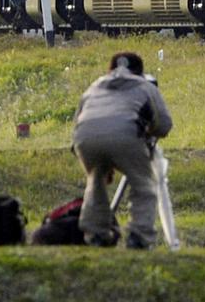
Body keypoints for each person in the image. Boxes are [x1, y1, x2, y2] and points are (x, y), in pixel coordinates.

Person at [71, 52, 173, 249]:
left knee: (95, 183)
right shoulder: (144, 86)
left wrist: (97, 162)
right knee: (143, 184)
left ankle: (96, 234)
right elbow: (164, 125)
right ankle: (139, 235)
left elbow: (78, 121)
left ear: (110, 70)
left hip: (86, 137)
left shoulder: (95, 86)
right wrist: (147, 132)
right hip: (126, 134)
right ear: (140, 72)